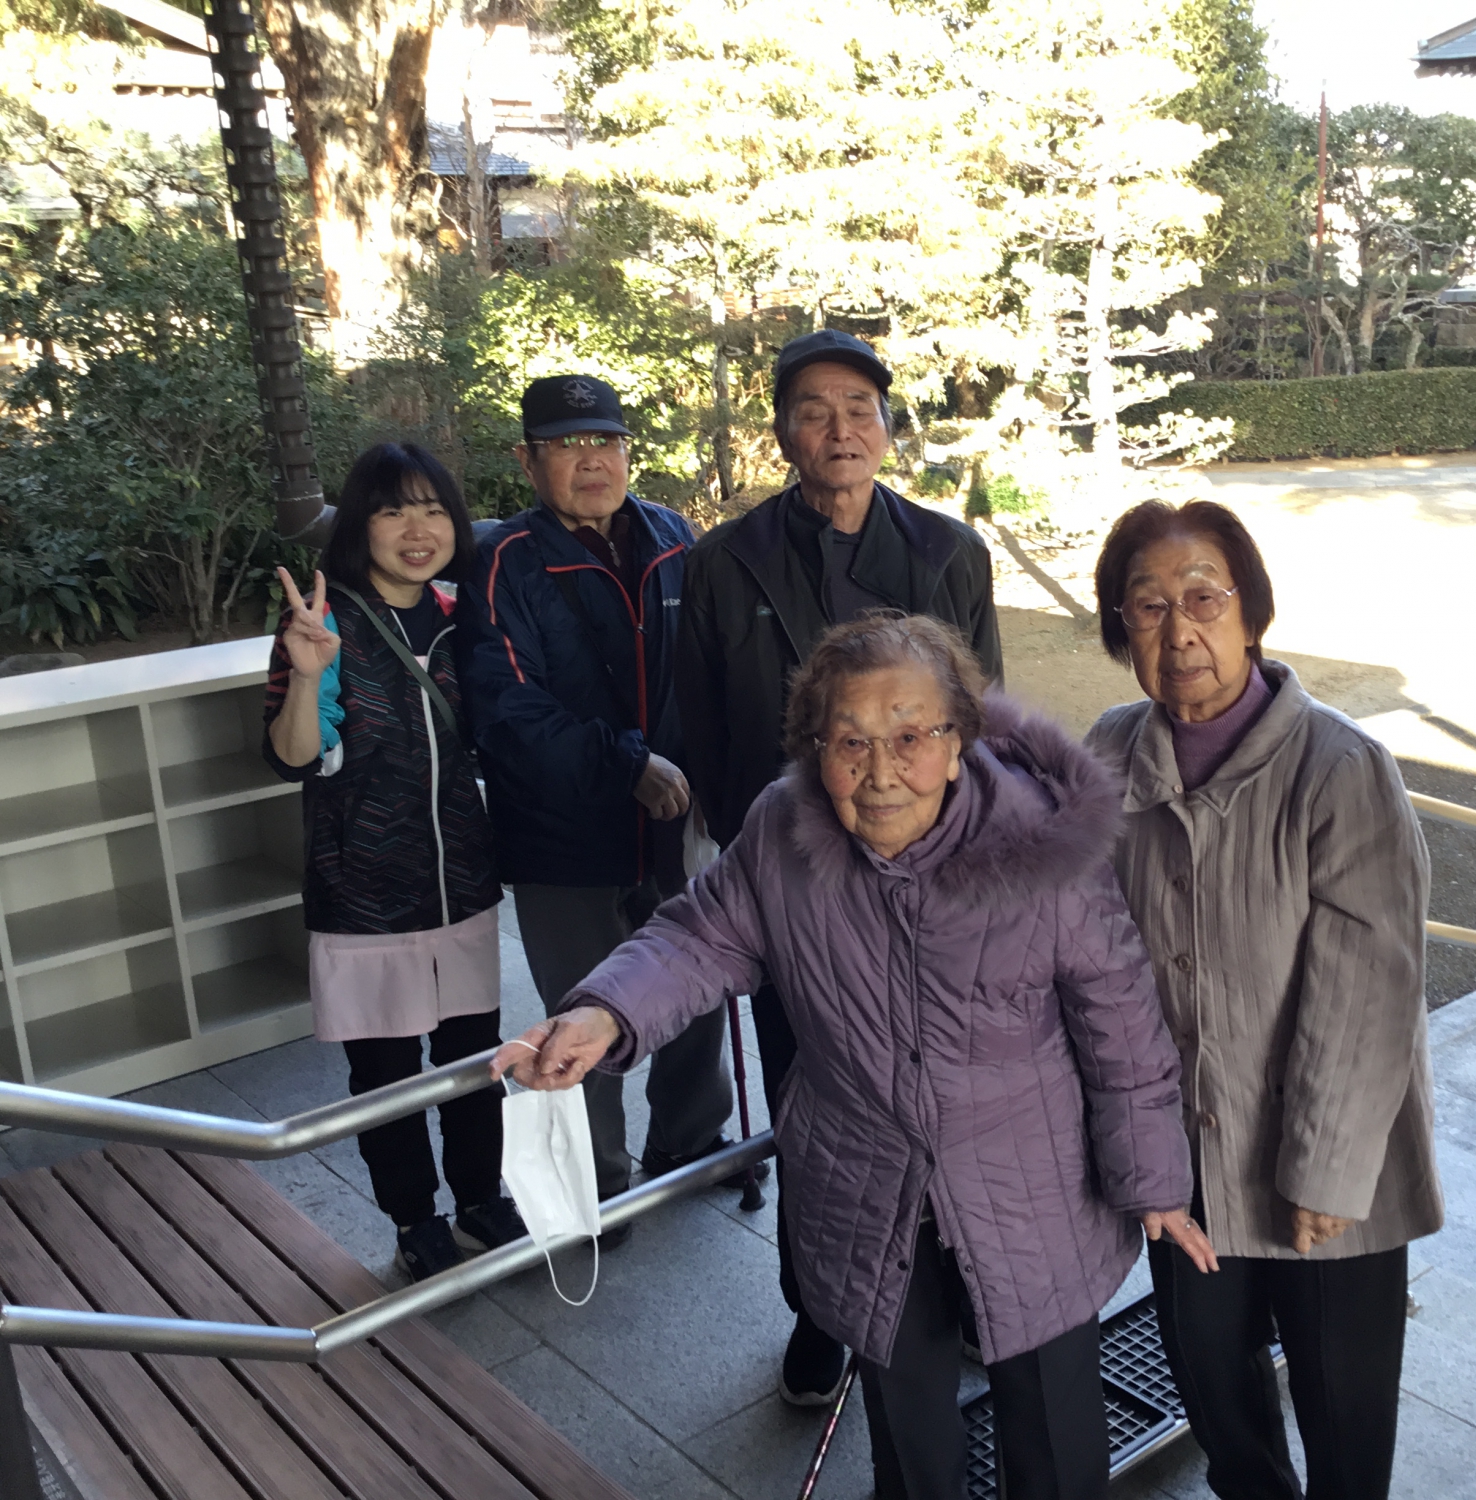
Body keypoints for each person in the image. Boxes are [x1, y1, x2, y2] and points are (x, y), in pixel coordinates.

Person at [496, 614, 1212, 1500]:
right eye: (850, 742)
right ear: (815, 749)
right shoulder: (782, 830)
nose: (879, 773)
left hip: (1029, 1192)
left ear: (958, 743)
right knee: (909, 1441)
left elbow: (1121, 1024)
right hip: (863, 1184)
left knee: (1054, 1437)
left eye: (910, 737)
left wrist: (1153, 1182)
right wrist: (604, 1013)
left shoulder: (1041, 848)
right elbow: (697, 936)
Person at [1084, 499, 1441, 1500]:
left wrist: (1323, 1168)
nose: (1179, 632)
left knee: (1342, 1412)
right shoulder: (1109, 752)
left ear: (1250, 612)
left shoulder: (1339, 765)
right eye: (1147, 607)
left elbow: (1366, 985)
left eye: (1202, 598)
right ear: (1121, 630)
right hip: (1184, 1158)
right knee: (1216, 1395)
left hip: (1325, 1165)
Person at [674, 329, 1002, 1402]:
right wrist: (762, 854)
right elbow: (703, 724)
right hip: (798, 893)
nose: (840, 429)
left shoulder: (948, 554)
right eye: (814, 410)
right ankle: (821, 1314)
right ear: (782, 433)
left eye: (860, 408)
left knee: (947, 1091)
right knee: (809, 1106)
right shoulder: (725, 562)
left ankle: (960, 1289)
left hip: (932, 885)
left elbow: (983, 726)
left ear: (888, 428)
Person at [460, 373, 735, 1238]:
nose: (592, 461)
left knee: (694, 986)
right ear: (527, 461)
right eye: (567, 445)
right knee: (582, 1008)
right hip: (565, 838)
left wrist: (716, 777)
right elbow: (507, 709)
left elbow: (715, 669)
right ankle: (597, 1185)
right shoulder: (505, 560)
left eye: (606, 442)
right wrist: (627, 764)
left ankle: (691, 1143)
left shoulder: (673, 537)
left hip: (676, 826)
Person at [262, 442, 525, 1281]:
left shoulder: (461, 613)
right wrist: (308, 674)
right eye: (393, 511)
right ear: (360, 525)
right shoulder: (323, 622)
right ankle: (415, 1217)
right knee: (385, 1073)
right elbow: (294, 758)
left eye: (433, 510)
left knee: (475, 1060)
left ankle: (481, 1197)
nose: (418, 530)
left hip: (460, 884)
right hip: (363, 889)